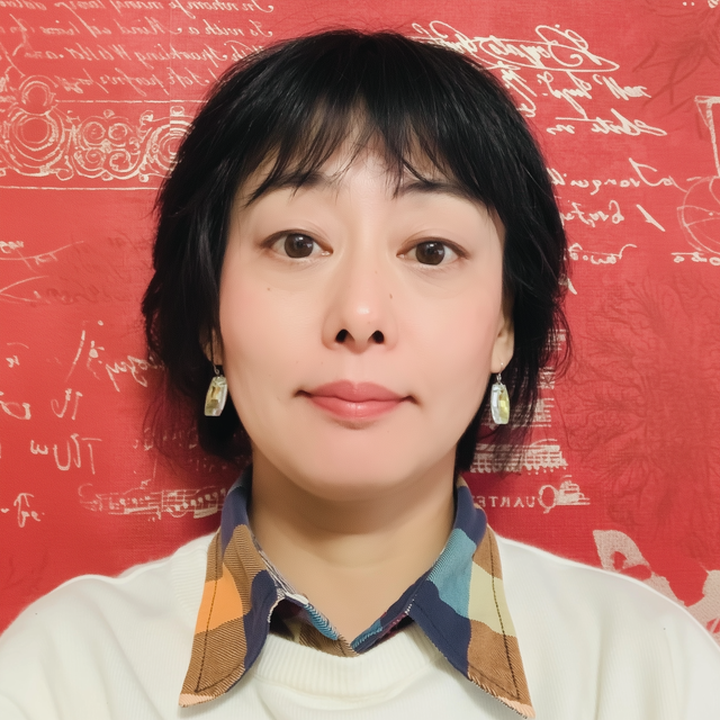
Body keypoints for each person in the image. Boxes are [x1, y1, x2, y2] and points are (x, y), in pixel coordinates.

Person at [1, 29, 719, 720]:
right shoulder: (64, 675)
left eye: (431, 250)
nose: (361, 314)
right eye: (298, 243)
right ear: (211, 316)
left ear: (504, 325)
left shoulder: (648, 672)